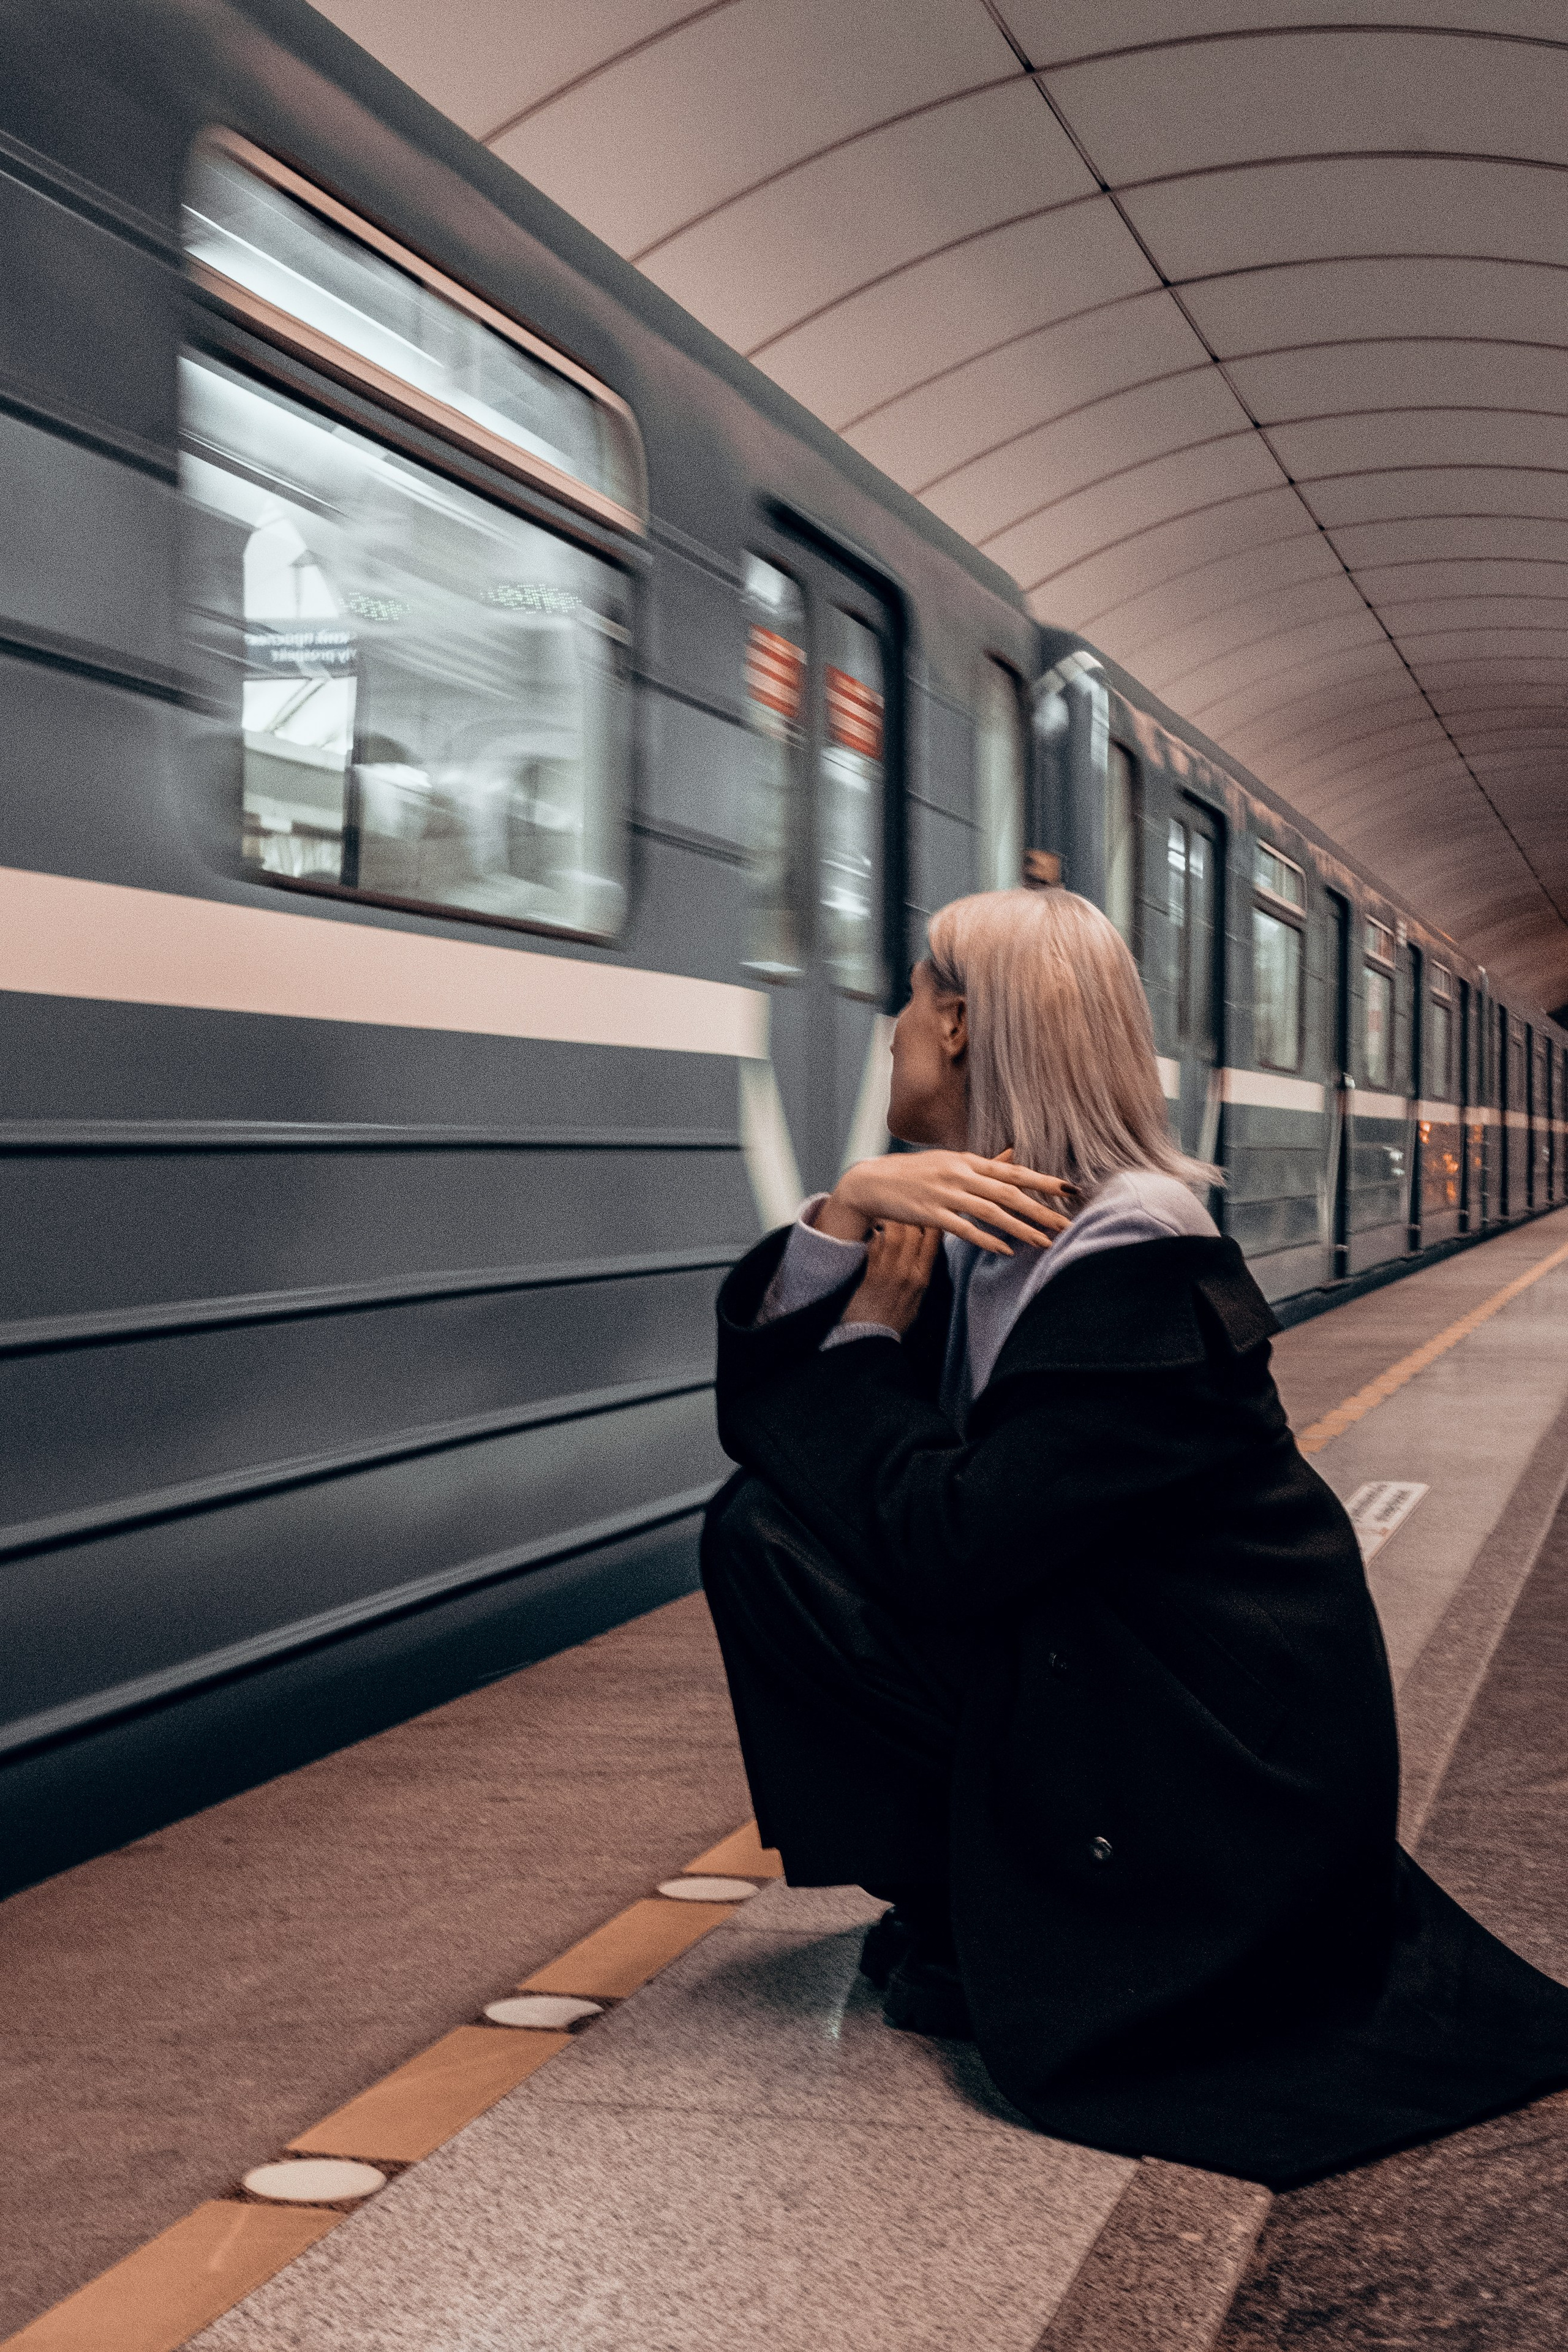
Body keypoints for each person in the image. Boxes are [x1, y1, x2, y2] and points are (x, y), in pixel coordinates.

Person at [702, 884, 1568, 2189]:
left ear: (953, 1024)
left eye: (900, 1007)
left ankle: (980, 1907)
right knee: (765, 1528)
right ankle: (954, 1897)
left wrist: (867, 1341)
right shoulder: (1008, 1227)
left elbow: (945, 1541)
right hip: (1116, 1680)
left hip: (1210, 1762)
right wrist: (836, 1221)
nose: (882, 1034)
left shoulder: (1135, 1260)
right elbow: (782, 1441)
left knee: (771, 1540)